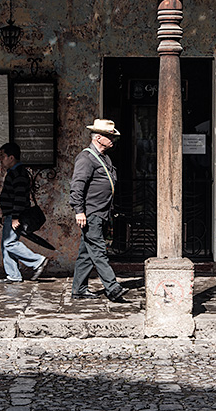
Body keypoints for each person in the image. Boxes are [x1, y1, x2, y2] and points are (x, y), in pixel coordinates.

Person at [69, 119, 128, 302]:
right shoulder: (86, 158)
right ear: (99, 138)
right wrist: (79, 210)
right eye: (110, 136)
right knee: (98, 250)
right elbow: (77, 186)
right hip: (91, 213)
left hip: (101, 213)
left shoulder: (104, 158)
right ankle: (112, 287)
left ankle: (79, 289)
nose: (113, 140)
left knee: (86, 253)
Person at [0, 142, 48, 283]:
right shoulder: (14, 172)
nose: (1, 160)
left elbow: (19, 198)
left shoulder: (18, 173)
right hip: (10, 215)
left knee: (10, 244)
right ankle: (13, 275)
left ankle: (37, 261)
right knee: (6, 244)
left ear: (11, 157)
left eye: (3, 156)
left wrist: (15, 217)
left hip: (15, 216)